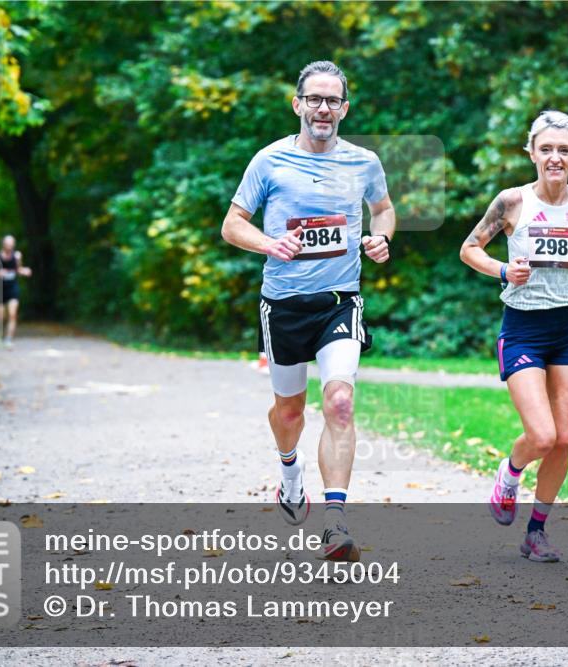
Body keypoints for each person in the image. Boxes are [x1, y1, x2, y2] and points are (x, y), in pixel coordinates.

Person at [221, 61, 395, 561]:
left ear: (345, 108)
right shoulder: (269, 162)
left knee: (339, 402)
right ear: (297, 104)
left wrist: (380, 237)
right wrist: (270, 244)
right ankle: (289, 472)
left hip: (340, 301)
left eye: (332, 100)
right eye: (314, 99)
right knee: (290, 412)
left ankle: (335, 521)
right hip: (283, 305)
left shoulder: (364, 162)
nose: (323, 108)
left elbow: (383, 209)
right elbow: (233, 225)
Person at [459, 110, 568, 562]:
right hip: (523, 329)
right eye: (547, 149)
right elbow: (468, 248)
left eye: (564, 150)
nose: (555, 157)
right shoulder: (512, 202)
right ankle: (509, 474)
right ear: (531, 153)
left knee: (565, 439)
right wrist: (501, 270)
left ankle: (536, 532)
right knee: (542, 434)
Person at [0, 235, 32, 346]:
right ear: (3, 244)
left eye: (11, 243)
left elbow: (18, 269)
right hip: (0, 289)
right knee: (1, 316)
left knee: (12, 314)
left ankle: (9, 338)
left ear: (14, 244)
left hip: (13, 288)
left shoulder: (17, 256)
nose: (10, 246)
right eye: (7, 243)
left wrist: (24, 271)